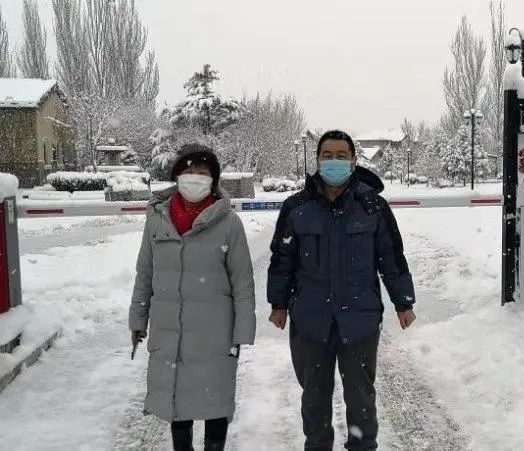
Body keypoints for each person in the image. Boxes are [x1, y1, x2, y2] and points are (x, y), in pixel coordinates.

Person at [267, 130, 417, 450]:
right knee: (314, 400)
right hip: (310, 321)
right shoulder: (297, 207)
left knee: (361, 401)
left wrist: (403, 302)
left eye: (340, 155)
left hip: (359, 320)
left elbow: (391, 256)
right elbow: (282, 259)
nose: (333, 161)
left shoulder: (372, 207)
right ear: (317, 160)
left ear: (352, 161)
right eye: (327, 155)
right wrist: (278, 304)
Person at [129, 143, 256, 451]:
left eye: (203, 171)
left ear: (213, 179)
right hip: (170, 329)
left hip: (216, 334)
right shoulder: (158, 220)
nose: (195, 177)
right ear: (177, 175)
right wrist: (138, 318)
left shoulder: (229, 223)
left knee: (216, 401)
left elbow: (243, 283)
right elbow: (145, 272)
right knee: (177, 400)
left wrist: (242, 334)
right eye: (189, 170)